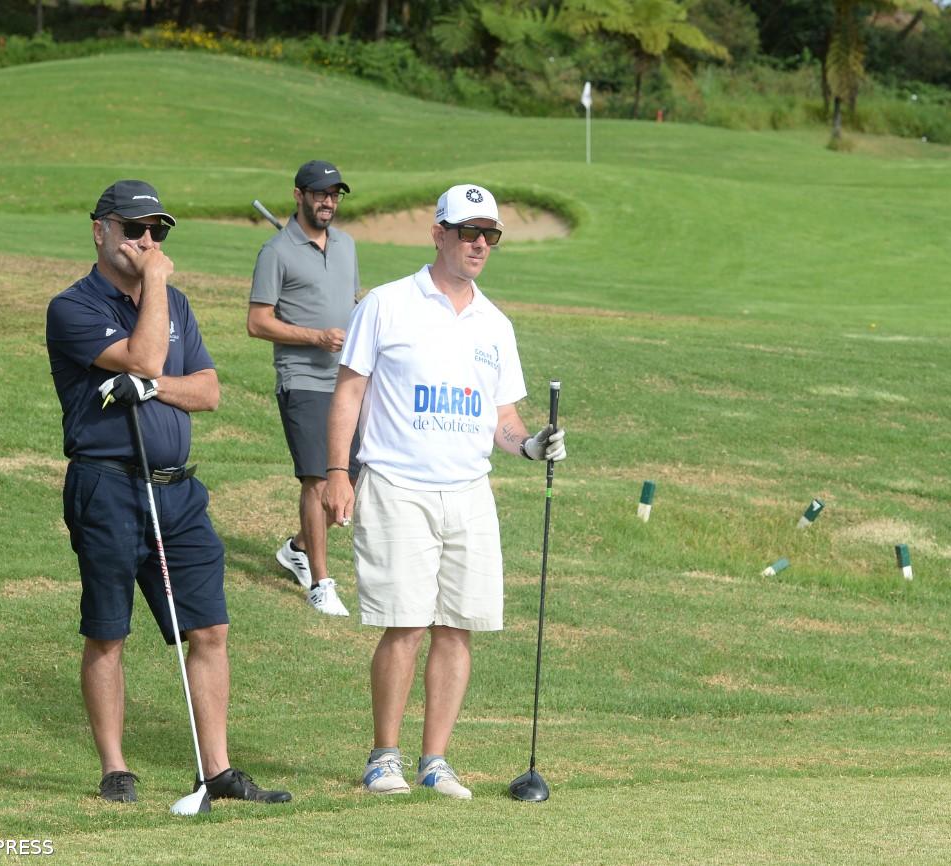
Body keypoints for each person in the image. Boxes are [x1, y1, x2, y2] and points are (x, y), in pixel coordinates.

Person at [46, 179, 291, 806]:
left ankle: (217, 769)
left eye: (158, 232)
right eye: (134, 230)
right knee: (108, 632)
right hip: (106, 487)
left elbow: (206, 390)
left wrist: (151, 388)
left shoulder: (177, 303)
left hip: (178, 494)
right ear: (99, 230)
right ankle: (116, 769)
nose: (148, 242)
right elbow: (150, 357)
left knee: (209, 629)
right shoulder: (73, 307)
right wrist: (153, 289)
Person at [322, 184, 568, 799]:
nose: (480, 243)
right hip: (397, 483)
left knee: (457, 626)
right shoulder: (386, 304)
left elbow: (502, 418)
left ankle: (436, 761)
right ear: (439, 233)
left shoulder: (496, 324)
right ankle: (385, 757)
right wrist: (335, 472)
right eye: (468, 231)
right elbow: (349, 392)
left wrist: (531, 444)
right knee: (404, 624)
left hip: (468, 490)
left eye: (490, 234)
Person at [248, 160, 361, 617]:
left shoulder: (347, 245)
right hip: (303, 379)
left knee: (350, 482)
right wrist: (315, 337)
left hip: (346, 380)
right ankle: (320, 581)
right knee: (319, 479)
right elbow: (257, 323)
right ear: (299, 195)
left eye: (335, 194)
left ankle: (297, 546)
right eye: (319, 193)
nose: (328, 201)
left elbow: (350, 301)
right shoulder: (276, 252)